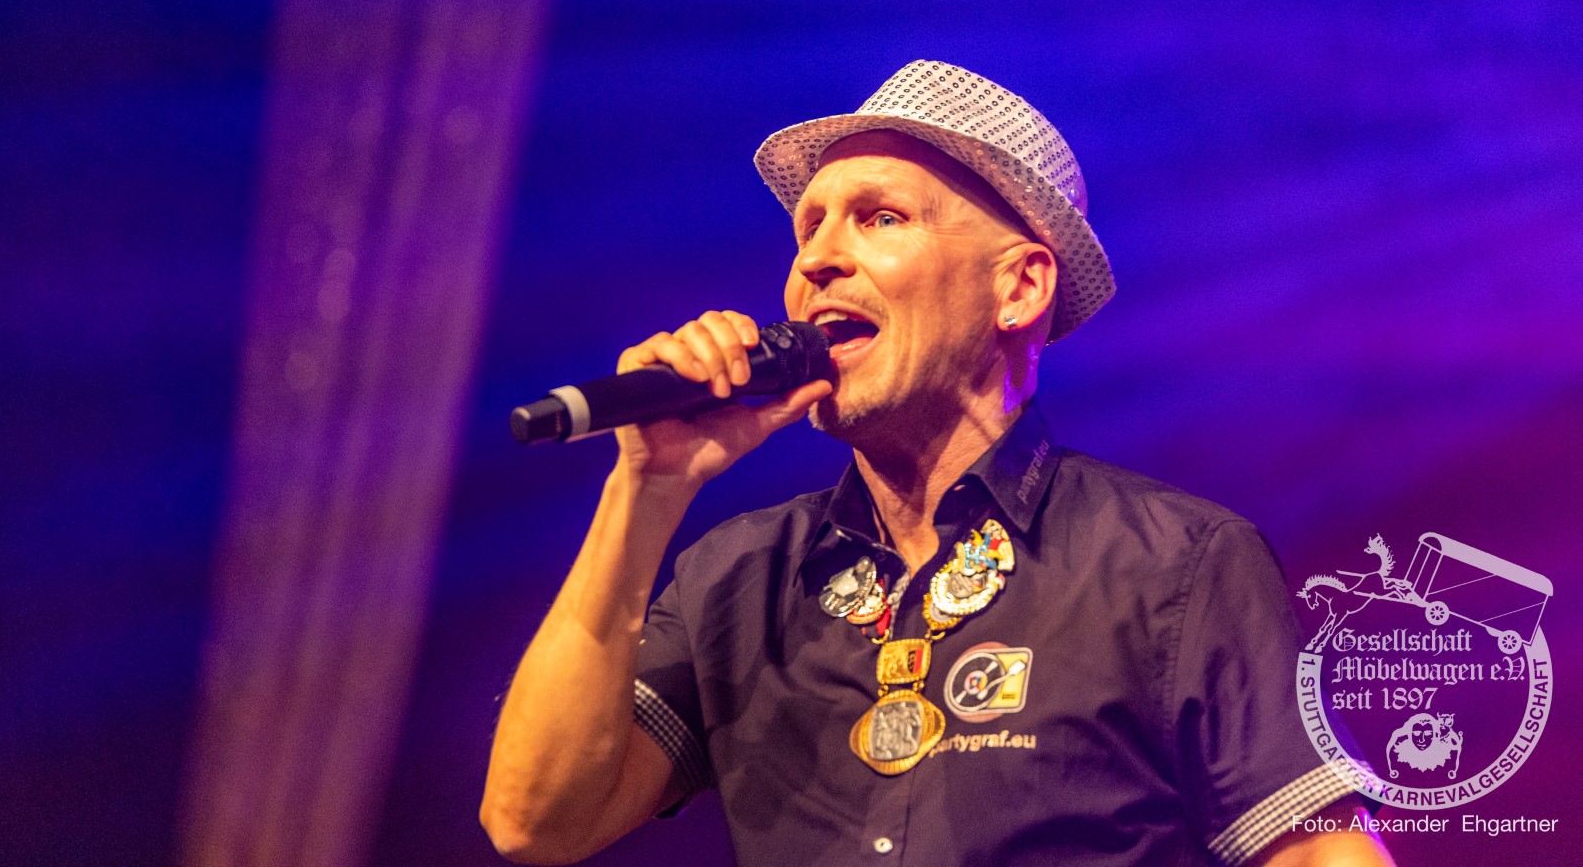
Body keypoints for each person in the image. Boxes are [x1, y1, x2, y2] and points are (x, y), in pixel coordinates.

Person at [481, 61, 1393, 866]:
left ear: (1019, 286)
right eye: (808, 229)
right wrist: (646, 488)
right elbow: (536, 821)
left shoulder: (1174, 566)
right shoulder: (737, 578)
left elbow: (1321, 854)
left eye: (880, 218)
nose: (817, 261)